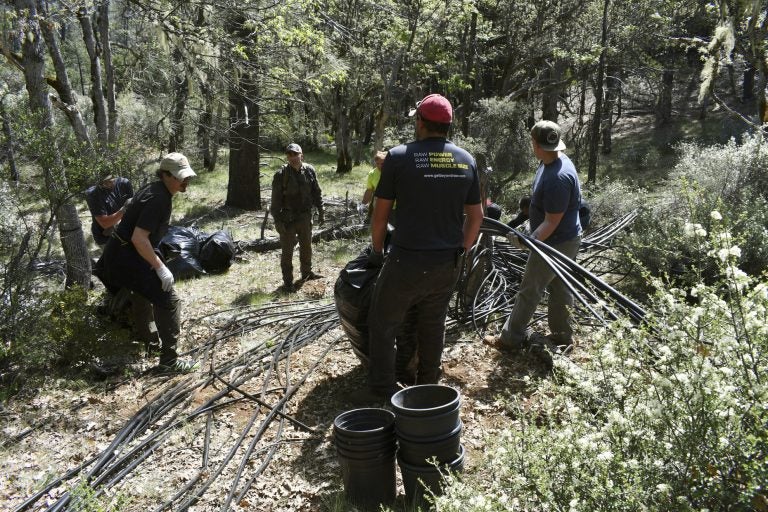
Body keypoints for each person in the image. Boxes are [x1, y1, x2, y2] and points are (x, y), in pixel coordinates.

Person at [361, 93, 484, 401]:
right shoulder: (466, 160)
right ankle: (427, 388)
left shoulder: (399, 157)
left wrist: (377, 252)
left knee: (383, 323)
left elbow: (381, 213)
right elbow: (476, 216)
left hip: (406, 261)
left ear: (420, 123)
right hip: (446, 263)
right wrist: (462, 250)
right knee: (433, 326)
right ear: (448, 125)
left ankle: (383, 392)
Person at [96, 153, 198, 373]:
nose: (185, 180)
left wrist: (156, 256)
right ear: (166, 175)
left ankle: (151, 343)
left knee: (142, 295)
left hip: (120, 254)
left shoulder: (155, 189)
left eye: (186, 176)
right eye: (181, 177)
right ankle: (169, 360)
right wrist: (161, 268)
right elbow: (139, 238)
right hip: (127, 256)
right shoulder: (159, 199)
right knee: (169, 299)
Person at [486, 120, 583, 351]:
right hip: (564, 239)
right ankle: (562, 335)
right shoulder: (549, 162)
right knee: (561, 287)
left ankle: (510, 339)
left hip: (556, 243)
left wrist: (529, 240)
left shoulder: (558, 178)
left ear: (536, 145)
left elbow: (551, 222)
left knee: (530, 289)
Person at [270, 143, 324, 291]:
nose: (293, 157)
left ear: (302, 155)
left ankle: (306, 273)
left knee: (306, 247)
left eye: (295, 154)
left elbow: (316, 192)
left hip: (305, 217)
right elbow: (275, 202)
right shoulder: (281, 175)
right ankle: (288, 282)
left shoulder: (310, 171)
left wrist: (321, 210)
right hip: (287, 218)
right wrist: (277, 220)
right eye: (289, 155)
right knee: (287, 251)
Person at [85, 175, 134, 246]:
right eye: (105, 182)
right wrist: (124, 209)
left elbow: (133, 207)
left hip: (127, 233)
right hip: (106, 239)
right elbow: (105, 224)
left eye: (111, 181)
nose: (109, 184)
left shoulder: (124, 183)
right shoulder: (93, 194)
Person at [362, 151, 396, 226]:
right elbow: (369, 190)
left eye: (383, 164)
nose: (380, 166)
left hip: (394, 207)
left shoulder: (395, 172)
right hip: (378, 206)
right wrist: (363, 204)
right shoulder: (372, 174)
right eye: (377, 164)